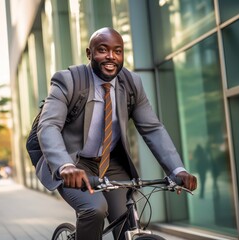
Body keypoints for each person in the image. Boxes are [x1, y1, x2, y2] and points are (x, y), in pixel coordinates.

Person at [36, 27, 197, 240]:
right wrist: (65, 166)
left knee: (125, 219)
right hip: (74, 163)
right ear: (89, 53)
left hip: (111, 163)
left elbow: (153, 128)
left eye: (117, 51)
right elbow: (48, 126)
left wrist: (178, 170)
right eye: (103, 50)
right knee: (95, 209)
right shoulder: (68, 81)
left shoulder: (131, 83)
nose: (111, 56)